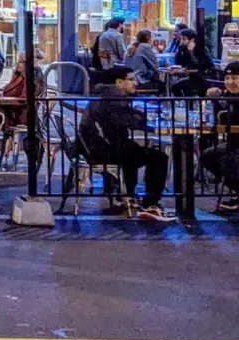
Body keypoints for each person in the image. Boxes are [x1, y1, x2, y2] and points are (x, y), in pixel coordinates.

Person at [75, 67, 172, 222]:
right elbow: (127, 120)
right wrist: (142, 118)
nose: (136, 82)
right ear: (119, 82)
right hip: (103, 151)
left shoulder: (108, 96)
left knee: (133, 149)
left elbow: (126, 118)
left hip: (97, 148)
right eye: (131, 79)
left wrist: (138, 114)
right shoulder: (113, 100)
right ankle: (151, 204)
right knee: (159, 157)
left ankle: (127, 195)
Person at [203, 62, 239, 212]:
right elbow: (220, 118)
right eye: (227, 78)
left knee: (232, 158)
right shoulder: (228, 96)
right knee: (208, 156)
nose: (230, 82)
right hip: (233, 142)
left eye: (235, 78)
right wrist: (214, 99)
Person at [0, 52, 46, 130]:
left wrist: (2, 101)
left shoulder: (31, 79)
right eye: (18, 61)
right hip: (8, 109)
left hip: (18, 114)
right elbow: (5, 89)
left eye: (20, 62)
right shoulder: (17, 76)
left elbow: (24, 100)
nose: (17, 64)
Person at [171, 29, 215, 97]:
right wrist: (179, 51)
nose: (182, 41)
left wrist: (191, 52)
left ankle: (189, 105)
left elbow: (200, 65)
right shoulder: (183, 48)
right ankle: (182, 104)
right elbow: (178, 63)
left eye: (184, 39)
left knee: (187, 87)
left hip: (204, 78)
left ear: (192, 40)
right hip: (192, 77)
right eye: (180, 39)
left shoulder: (201, 49)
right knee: (174, 87)